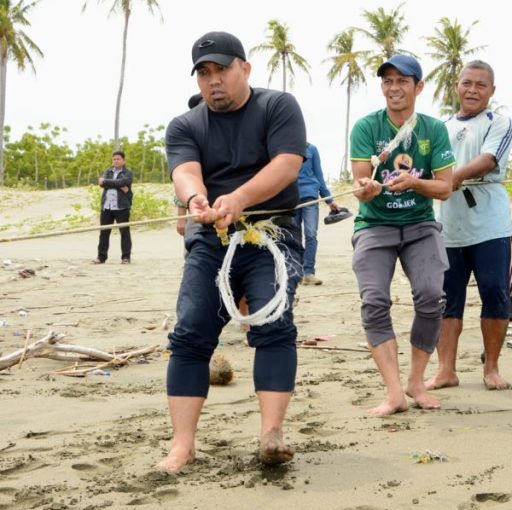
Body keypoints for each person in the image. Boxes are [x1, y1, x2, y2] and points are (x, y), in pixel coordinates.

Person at [157, 31, 306, 473]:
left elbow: (286, 165)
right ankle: (183, 446)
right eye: (204, 73)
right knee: (189, 334)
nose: (213, 80)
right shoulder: (185, 125)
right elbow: (185, 171)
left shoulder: (278, 106)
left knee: (274, 326)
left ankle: (271, 434)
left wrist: (239, 199)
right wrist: (194, 200)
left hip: (272, 235)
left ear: (245, 68)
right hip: (210, 242)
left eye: (221, 69)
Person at [350, 54, 455, 416]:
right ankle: (394, 393)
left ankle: (416, 381)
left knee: (431, 296)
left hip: (420, 226)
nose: (394, 88)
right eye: (388, 81)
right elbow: (361, 181)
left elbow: (445, 188)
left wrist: (414, 183)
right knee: (374, 301)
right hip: (374, 226)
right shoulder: (366, 127)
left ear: (418, 87)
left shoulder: (433, 129)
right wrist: (368, 189)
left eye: (403, 81)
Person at [425, 60, 512, 391]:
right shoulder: (440, 127)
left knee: (495, 292)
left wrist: (455, 177)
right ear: (457, 86)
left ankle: (491, 368)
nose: (473, 90)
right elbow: (427, 168)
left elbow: (488, 160)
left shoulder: (499, 122)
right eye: (467, 83)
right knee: (446, 299)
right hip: (448, 227)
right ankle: (446, 369)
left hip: (490, 226)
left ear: (492, 91)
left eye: (481, 84)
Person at [295, 142, 339, 285]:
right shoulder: (284, 149)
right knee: (294, 236)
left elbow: (319, 175)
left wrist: (329, 200)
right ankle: (297, 272)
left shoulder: (311, 149)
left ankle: (308, 272)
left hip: (310, 196)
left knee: (311, 234)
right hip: (291, 198)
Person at [92, 151, 133, 264]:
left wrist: (107, 182)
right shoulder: (108, 171)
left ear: (123, 160)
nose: (116, 161)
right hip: (107, 207)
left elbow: (124, 181)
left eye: (118, 159)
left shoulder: (128, 172)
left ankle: (126, 257)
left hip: (122, 207)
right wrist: (119, 185)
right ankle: (101, 257)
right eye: (114, 159)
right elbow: (102, 184)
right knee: (104, 233)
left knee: (124, 232)